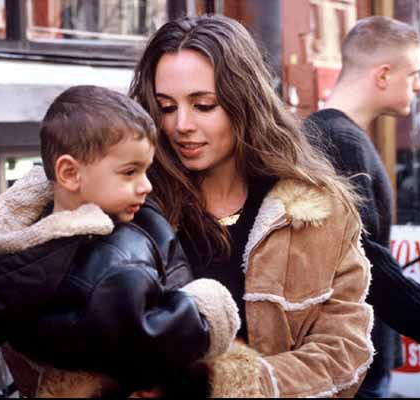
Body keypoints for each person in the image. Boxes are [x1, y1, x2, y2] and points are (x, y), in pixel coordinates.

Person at [0, 85, 240, 397]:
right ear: (68, 173)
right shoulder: (115, 263)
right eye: (130, 172)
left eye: (146, 170)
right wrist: (206, 314)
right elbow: (149, 342)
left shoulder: (19, 248)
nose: (146, 185)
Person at [128, 14, 374, 397]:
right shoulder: (133, 201)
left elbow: (342, 353)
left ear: (244, 101)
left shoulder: (314, 212)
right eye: (166, 106)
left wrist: (222, 384)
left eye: (203, 105)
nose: (181, 125)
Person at [306, 16, 420, 398]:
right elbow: (367, 265)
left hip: (360, 355)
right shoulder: (339, 142)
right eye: (413, 74)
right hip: (354, 363)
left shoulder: (336, 135)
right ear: (383, 75)